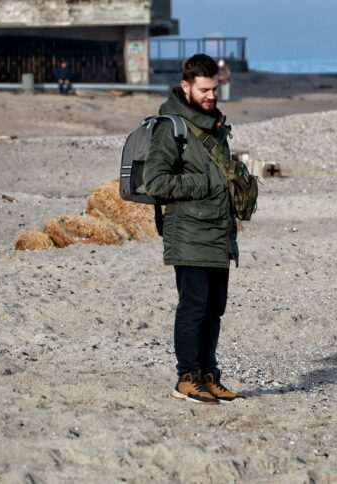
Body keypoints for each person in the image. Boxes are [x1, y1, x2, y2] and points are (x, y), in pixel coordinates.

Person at [144, 54, 243, 405]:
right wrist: (207, 183)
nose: (210, 96)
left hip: (218, 231)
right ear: (186, 86)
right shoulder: (172, 127)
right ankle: (186, 377)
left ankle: (208, 375)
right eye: (203, 90)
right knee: (194, 305)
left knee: (215, 307)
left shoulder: (215, 125)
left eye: (214, 89)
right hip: (187, 232)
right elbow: (155, 180)